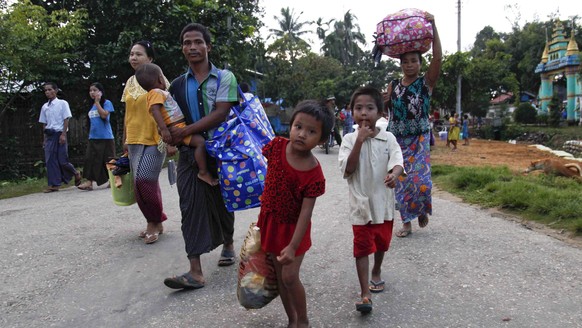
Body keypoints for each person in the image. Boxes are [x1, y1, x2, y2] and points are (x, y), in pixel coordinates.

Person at [163, 23, 239, 290]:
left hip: (221, 151)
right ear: (182, 48)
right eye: (187, 43)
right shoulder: (176, 85)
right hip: (188, 154)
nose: (192, 47)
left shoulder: (225, 78)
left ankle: (228, 242)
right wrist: (168, 133)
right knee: (190, 206)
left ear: (208, 46)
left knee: (222, 201)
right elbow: (168, 115)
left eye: (197, 42)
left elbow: (220, 113)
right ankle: (195, 271)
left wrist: (183, 130)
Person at [257, 100, 333, 327]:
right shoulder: (276, 147)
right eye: (298, 126)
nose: (302, 134)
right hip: (270, 222)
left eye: (311, 131)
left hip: (294, 231)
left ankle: (303, 320)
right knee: (281, 277)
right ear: (290, 125)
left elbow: (306, 214)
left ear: (321, 140)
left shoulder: (314, 172)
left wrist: (292, 246)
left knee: (290, 277)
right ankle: (291, 320)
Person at [339, 86, 404, 313]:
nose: (364, 113)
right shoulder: (348, 139)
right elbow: (348, 169)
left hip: (383, 205)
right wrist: (359, 140)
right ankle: (365, 293)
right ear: (351, 113)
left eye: (369, 108)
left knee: (381, 244)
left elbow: (397, 161)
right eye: (358, 108)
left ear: (380, 112)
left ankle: (377, 270)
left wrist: (394, 175)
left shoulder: (388, 138)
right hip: (360, 206)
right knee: (361, 248)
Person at [383, 12, 442, 237]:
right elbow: (385, 110)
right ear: (401, 65)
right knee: (401, 181)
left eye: (414, 61)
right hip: (397, 141)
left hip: (418, 140)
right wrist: (384, 102)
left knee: (421, 181)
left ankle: (421, 209)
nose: (410, 65)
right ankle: (407, 221)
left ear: (420, 62)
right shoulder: (393, 85)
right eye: (406, 61)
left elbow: (437, 58)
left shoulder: (426, 83)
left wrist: (434, 26)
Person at [134, 63, 217, 186]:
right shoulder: (156, 92)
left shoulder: (158, 93)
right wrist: (164, 130)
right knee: (200, 143)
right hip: (177, 128)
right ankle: (203, 171)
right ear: (160, 79)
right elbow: (155, 110)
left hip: (178, 127)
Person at [121, 40, 170, 245]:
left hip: (155, 139)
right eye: (132, 54)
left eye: (138, 54)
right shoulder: (130, 82)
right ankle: (153, 221)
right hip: (134, 139)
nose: (133, 58)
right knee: (137, 184)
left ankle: (155, 221)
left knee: (145, 181)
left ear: (150, 58)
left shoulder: (161, 81)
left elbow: (170, 109)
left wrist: (170, 138)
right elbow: (127, 112)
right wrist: (124, 139)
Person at [38, 82, 82, 193]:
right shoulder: (45, 107)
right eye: (46, 90)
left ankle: (75, 173)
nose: (47, 92)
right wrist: (44, 138)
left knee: (62, 160)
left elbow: (66, 119)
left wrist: (63, 134)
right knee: (50, 160)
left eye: (50, 89)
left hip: (59, 133)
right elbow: (44, 123)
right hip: (49, 134)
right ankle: (54, 184)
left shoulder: (62, 103)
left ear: (56, 90)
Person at [77, 82, 115, 191]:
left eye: (95, 90)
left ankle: (113, 180)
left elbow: (104, 115)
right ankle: (89, 182)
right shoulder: (91, 106)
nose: (92, 92)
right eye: (90, 90)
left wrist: (98, 103)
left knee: (109, 160)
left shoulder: (107, 103)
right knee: (90, 159)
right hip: (93, 137)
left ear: (101, 92)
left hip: (106, 137)